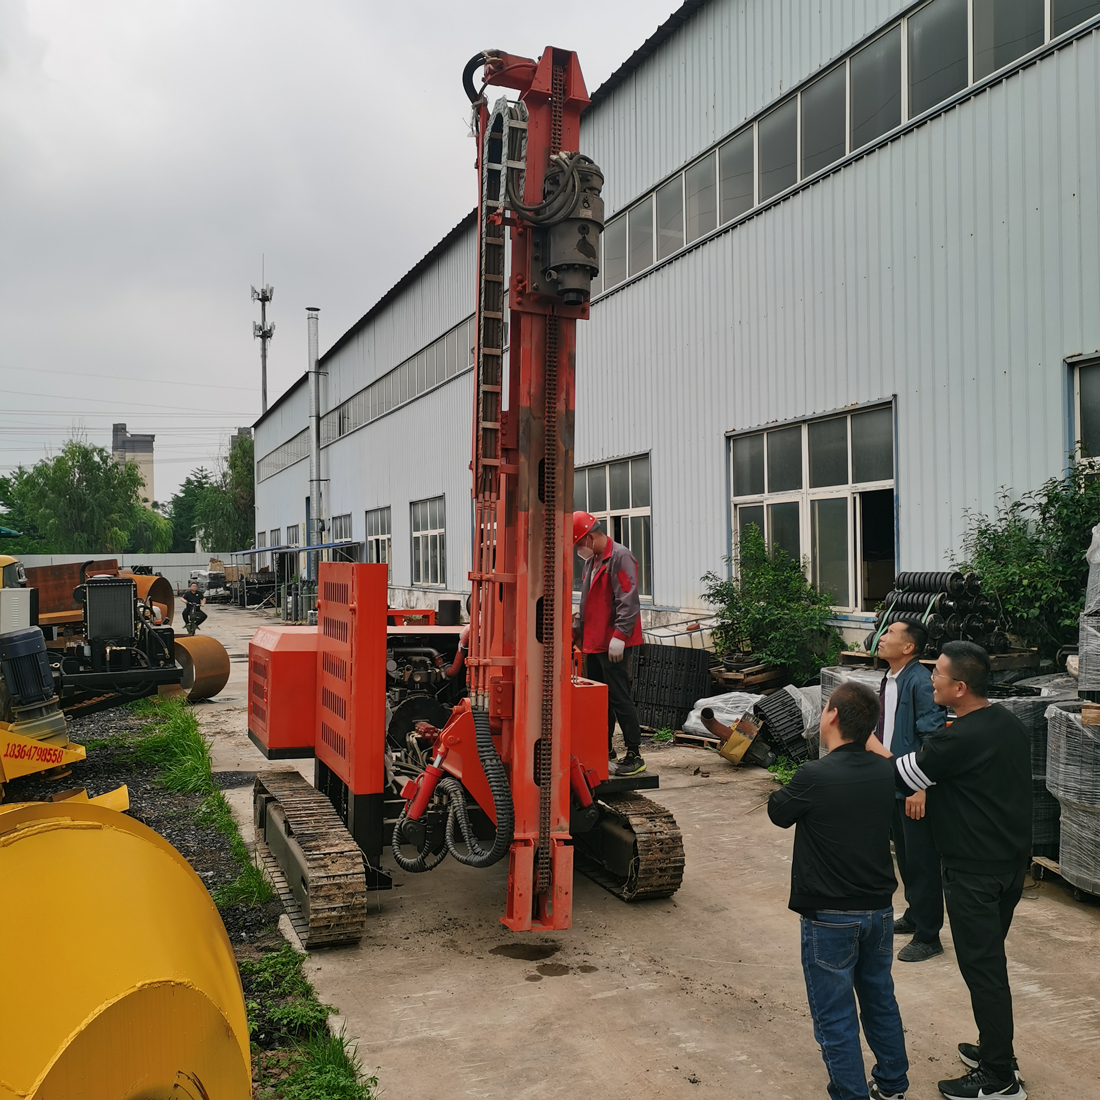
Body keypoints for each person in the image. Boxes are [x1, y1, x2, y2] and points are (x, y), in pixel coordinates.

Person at [883, 641, 1030, 1100]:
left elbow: (900, 775)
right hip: (1008, 866)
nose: (931, 681)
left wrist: (866, 741)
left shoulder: (958, 739)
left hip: (974, 873)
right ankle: (994, 1049)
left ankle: (1000, 1077)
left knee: (984, 971)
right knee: (988, 963)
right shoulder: (1006, 722)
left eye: (938, 675)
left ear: (960, 687)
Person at [768, 681, 909, 1100]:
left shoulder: (815, 775)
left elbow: (778, 811)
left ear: (830, 716)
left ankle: (851, 1093)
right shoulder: (885, 772)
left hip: (829, 916)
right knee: (880, 999)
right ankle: (893, 1085)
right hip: (879, 911)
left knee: (835, 1015)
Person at [867, 620, 947, 963]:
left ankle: (929, 935)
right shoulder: (891, 678)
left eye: (889, 634)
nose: (881, 638)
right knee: (905, 856)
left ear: (908, 647)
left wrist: (921, 787)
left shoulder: (920, 682)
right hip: (894, 782)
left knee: (922, 861)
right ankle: (915, 915)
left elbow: (933, 738)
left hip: (914, 786)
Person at [572, 510, 645, 776]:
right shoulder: (591, 562)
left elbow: (628, 599)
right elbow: (587, 605)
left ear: (589, 538)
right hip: (594, 642)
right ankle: (603, 748)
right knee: (599, 701)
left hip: (614, 643)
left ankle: (634, 754)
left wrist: (620, 636)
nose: (578, 549)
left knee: (619, 697)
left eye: (579, 543)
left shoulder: (620, 557)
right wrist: (574, 633)